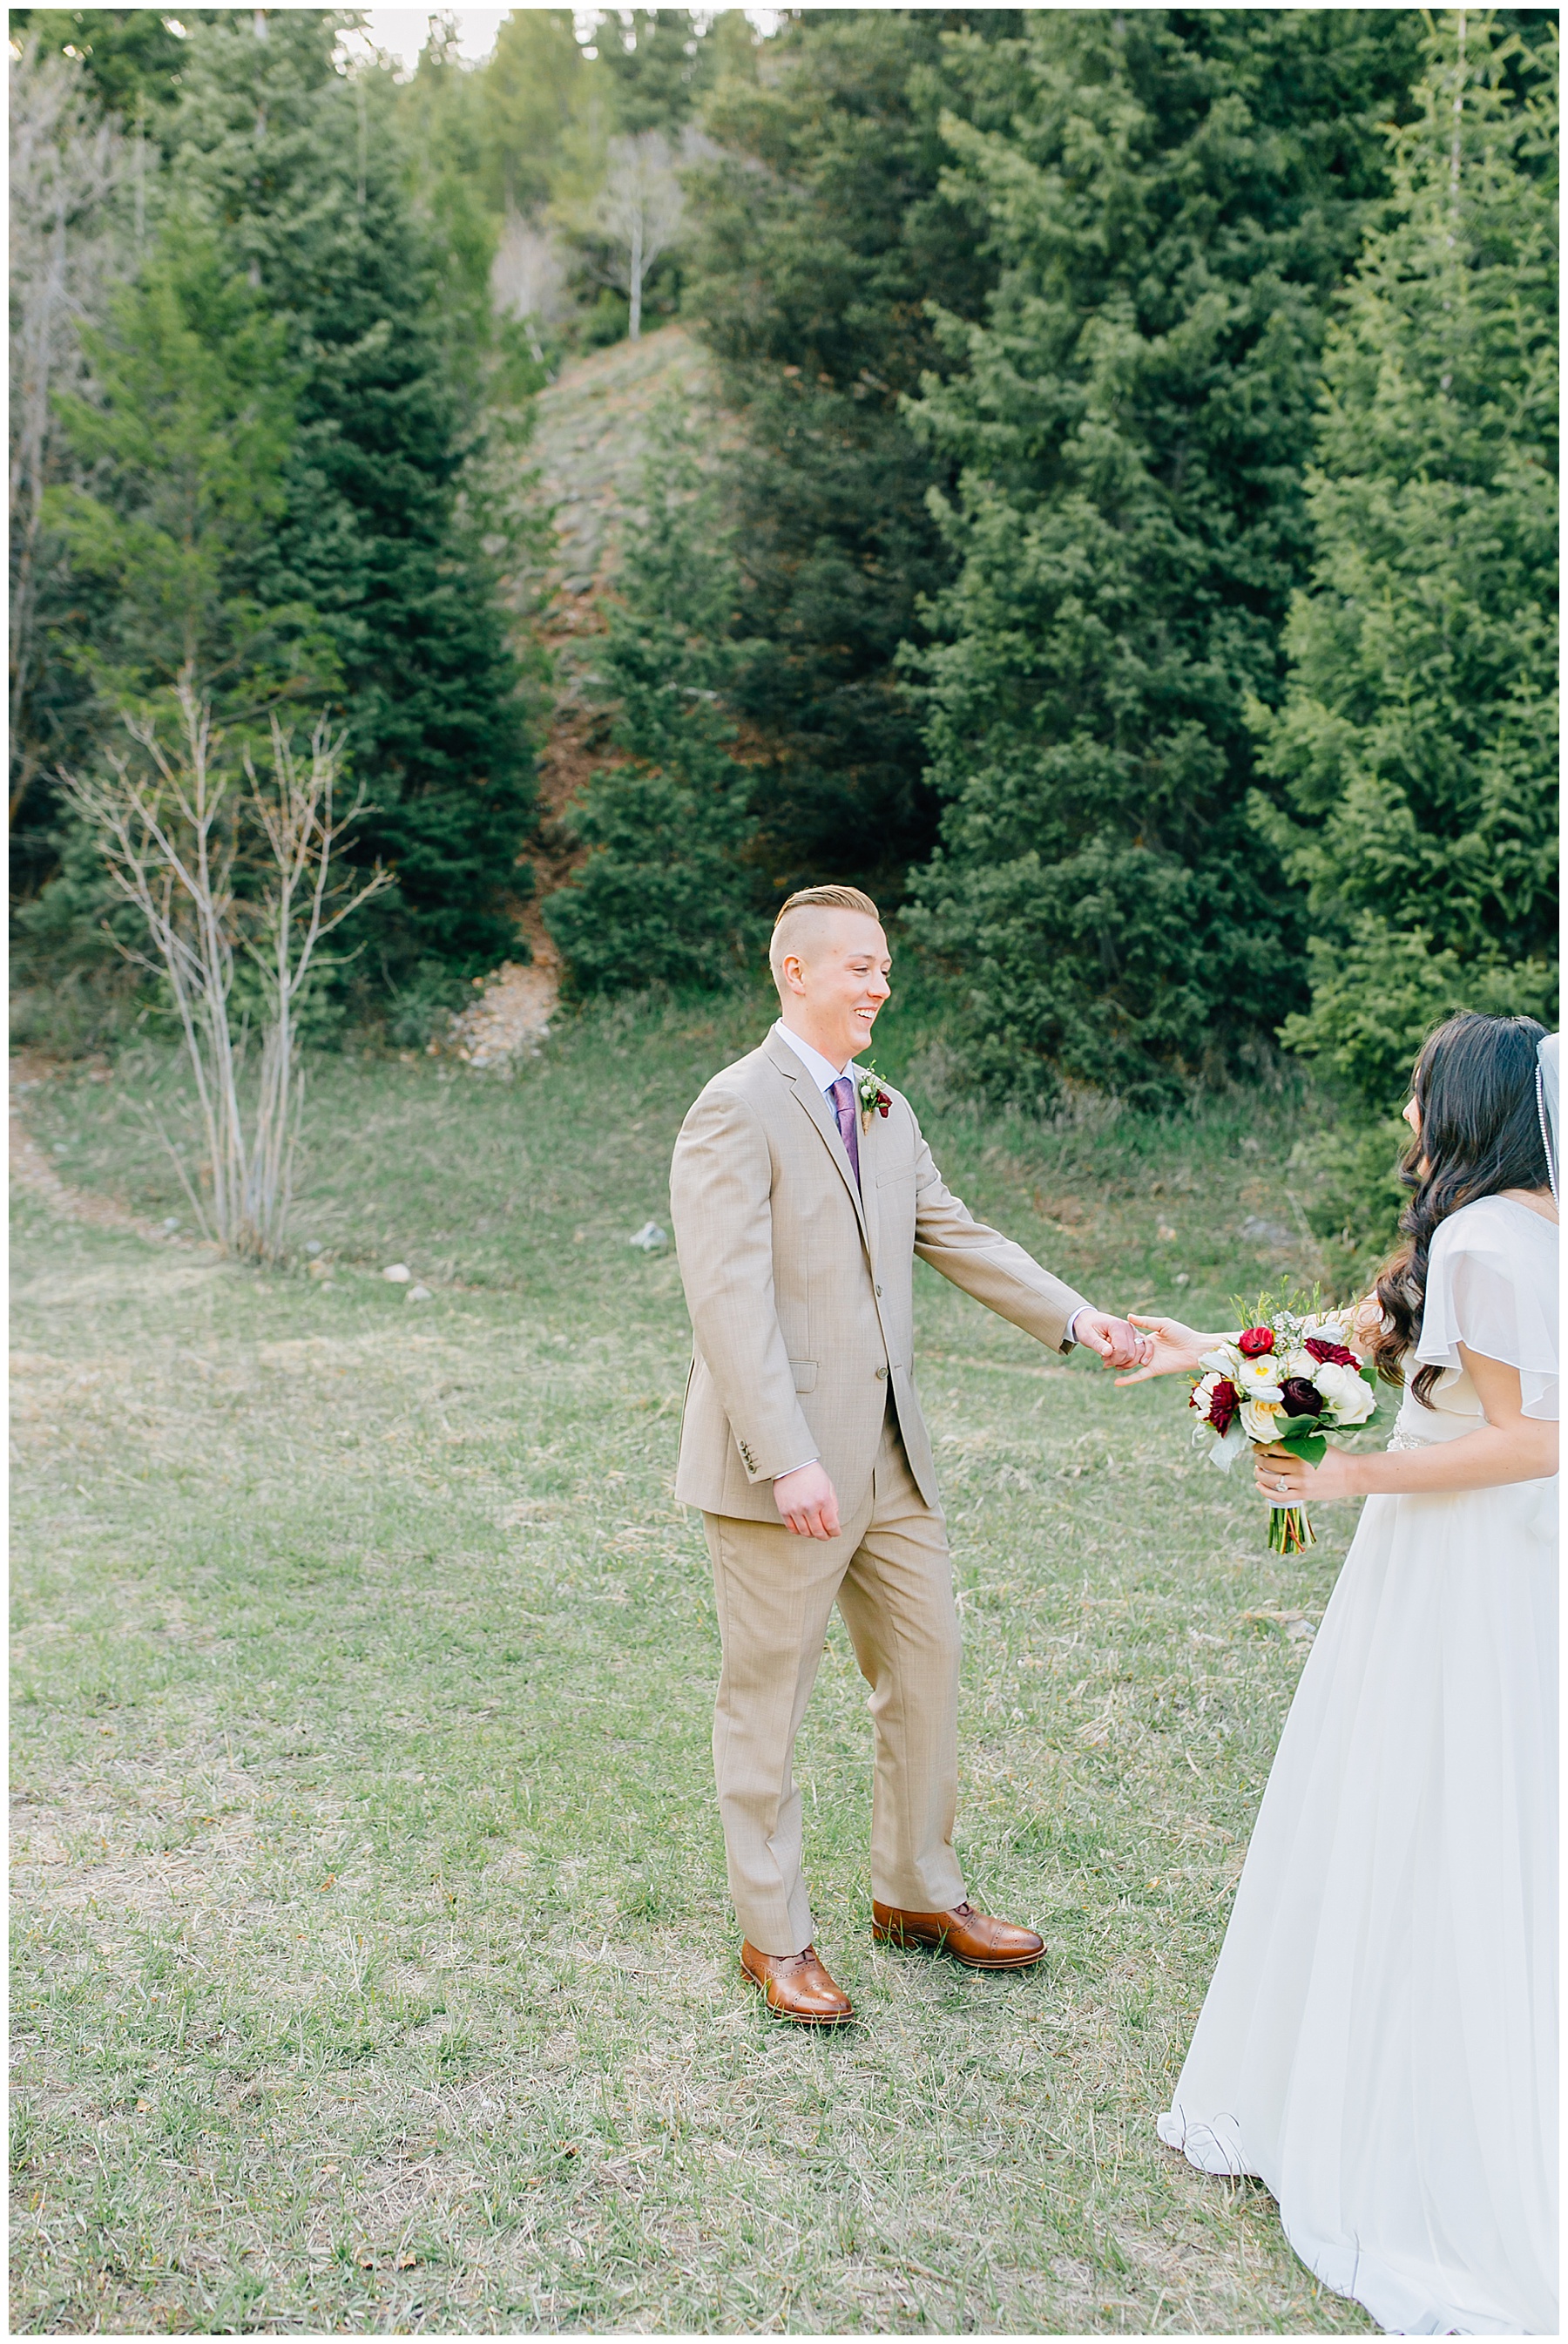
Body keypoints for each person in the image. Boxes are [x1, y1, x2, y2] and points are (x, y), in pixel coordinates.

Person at [1119, 1013, 1558, 2334]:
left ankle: (1414, 2133)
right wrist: (1204, 1345)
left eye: (1418, 1093)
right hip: (1487, 1571)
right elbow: (1362, 1334)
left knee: (1425, 1804)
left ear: (1465, 1107)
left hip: (1462, 1565)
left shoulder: (1484, 1238)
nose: (1405, 1119)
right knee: (1464, 1814)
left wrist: (1348, 1473)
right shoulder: (1517, 1227)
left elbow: (1536, 1438)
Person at [668, 884, 1151, 2024]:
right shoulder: (734, 1106)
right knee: (767, 1701)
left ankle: (915, 1895)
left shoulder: (886, 1108)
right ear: (796, 969)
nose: (882, 983)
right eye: (862, 966)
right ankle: (775, 1936)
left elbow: (958, 1233)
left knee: (926, 1673)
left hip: (893, 1462)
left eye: (886, 966)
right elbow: (726, 1297)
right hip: (779, 1466)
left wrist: (1079, 1319)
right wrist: (785, 1454)